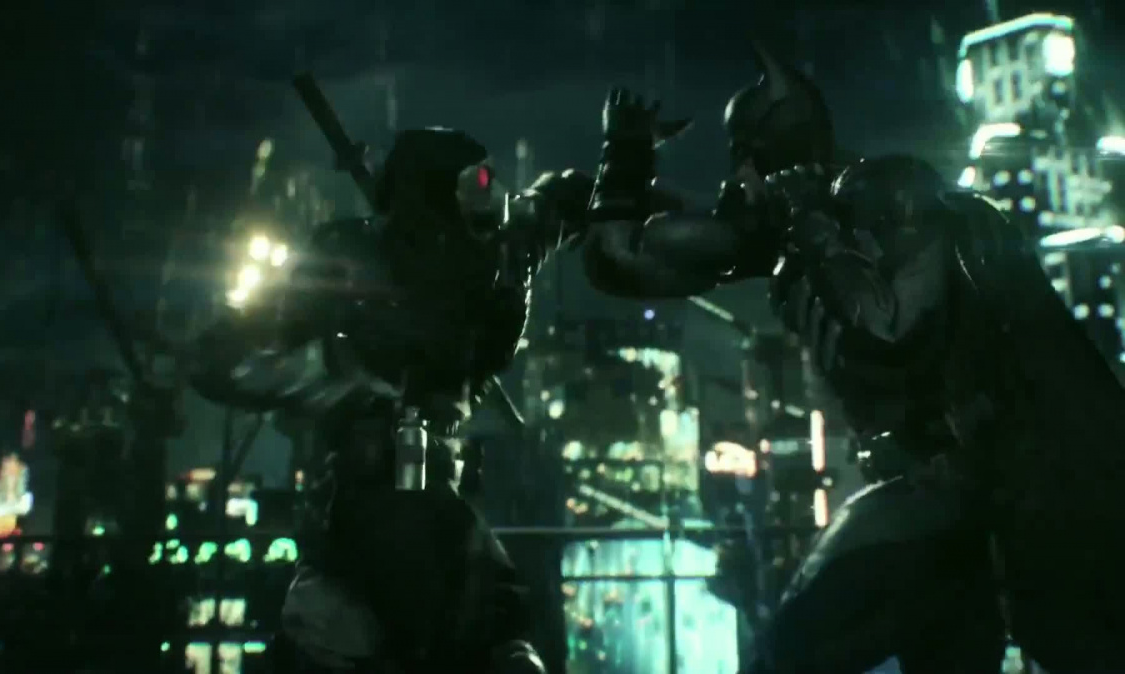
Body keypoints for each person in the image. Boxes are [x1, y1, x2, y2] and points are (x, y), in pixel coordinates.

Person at [580, 45, 1125, 674]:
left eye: (750, 154)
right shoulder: (786, 225)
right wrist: (625, 155)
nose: (740, 177)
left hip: (981, 488)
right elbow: (620, 260)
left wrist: (816, 227)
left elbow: (889, 329)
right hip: (938, 508)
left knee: (795, 651)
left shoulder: (893, 202)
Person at [189, 127, 597, 673]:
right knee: (348, 636)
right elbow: (224, 355)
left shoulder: (499, 253)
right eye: (472, 182)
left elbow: (566, 201)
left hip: (435, 497)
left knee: (491, 638)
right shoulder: (352, 257)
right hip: (365, 502)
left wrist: (627, 160)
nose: (488, 195)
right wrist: (332, 390)